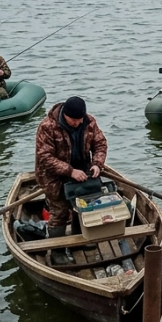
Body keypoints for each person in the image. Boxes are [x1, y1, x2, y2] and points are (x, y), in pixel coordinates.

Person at [34, 96, 108, 241]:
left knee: (83, 207)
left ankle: (80, 239)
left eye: (80, 119)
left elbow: (100, 144)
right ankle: (57, 251)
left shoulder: (89, 121)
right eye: (73, 120)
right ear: (64, 115)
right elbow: (45, 157)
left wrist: (97, 164)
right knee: (59, 212)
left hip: (83, 172)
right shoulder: (47, 127)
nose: (78, 123)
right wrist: (70, 171)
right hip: (53, 177)